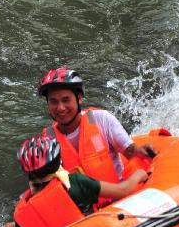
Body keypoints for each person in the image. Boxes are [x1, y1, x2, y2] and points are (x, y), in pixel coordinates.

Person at [0, 135, 149, 227]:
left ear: (27, 173)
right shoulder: (76, 182)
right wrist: (139, 175)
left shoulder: (24, 211)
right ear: (57, 163)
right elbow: (122, 190)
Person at [39, 68, 156, 201]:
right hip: (84, 210)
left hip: (119, 200)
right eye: (53, 102)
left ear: (79, 98)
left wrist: (141, 151)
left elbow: (131, 152)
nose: (60, 108)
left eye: (66, 100)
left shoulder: (102, 119)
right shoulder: (47, 141)